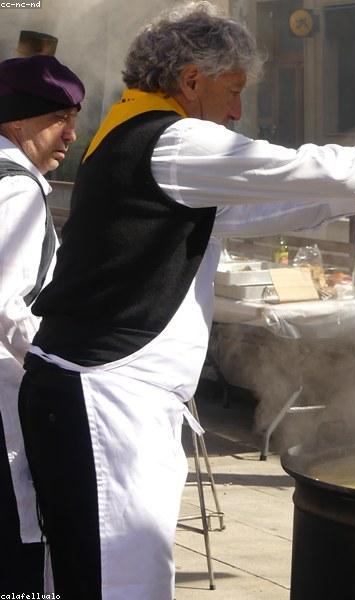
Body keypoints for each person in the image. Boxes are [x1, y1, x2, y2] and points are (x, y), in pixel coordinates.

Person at [16, 3, 355, 599]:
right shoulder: (173, 140)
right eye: (232, 91)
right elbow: (292, 167)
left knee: (109, 579)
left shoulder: (139, 134)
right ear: (191, 81)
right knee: (120, 586)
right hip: (106, 396)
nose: (237, 111)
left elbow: (258, 205)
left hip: (107, 395)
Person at [0, 54, 84, 594]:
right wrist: (64, 371)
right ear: (17, 121)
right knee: (17, 561)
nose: (71, 134)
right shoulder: (15, 188)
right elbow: (6, 305)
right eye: (59, 119)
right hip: (4, 405)